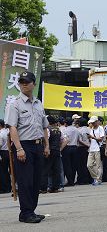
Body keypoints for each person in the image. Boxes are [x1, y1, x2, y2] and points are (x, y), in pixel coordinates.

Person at [5, 71, 49, 223]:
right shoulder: (14, 104)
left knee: (37, 180)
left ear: (33, 84)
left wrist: (47, 145)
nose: (24, 84)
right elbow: (13, 128)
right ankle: (26, 212)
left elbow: (44, 127)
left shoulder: (38, 103)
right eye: (21, 81)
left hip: (38, 146)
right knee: (25, 181)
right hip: (24, 146)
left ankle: (31, 210)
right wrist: (19, 148)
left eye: (27, 81)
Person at [40, 116, 66, 193]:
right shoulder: (58, 130)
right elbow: (65, 140)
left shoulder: (47, 130)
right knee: (56, 169)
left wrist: (46, 148)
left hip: (49, 151)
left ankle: (43, 188)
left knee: (45, 169)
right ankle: (55, 187)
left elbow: (46, 139)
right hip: (57, 151)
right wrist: (60, 149)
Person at [62, 118, 79, 186]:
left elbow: (65, 140)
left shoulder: (65, 130)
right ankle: (72, 180)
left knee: (67, 165)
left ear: (66, 123)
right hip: (75, 147)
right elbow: (78, 139)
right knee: (73, 165)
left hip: (67, 148)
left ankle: (70, 181)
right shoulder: (76, 129)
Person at [87, 116, 104, 185]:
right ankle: (96, 177)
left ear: (97, 122)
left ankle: (98, 180)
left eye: (93, 122)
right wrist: (89, 138)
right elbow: (91, 139)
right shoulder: (91, 129)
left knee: (98, 165)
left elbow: (101, 139)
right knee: (89, 165)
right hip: (91, 148)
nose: (92, 124)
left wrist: (92, 137)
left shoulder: (100, 128)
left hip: (98, 148)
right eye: (92, 123)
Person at [76, 118, 91, 185]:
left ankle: (81, 180)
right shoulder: (89, 129)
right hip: (88, 148)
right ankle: (88, 179)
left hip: (81, 148)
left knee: (80, 165)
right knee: (87, 164)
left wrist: (86, 145)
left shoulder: (79, 130)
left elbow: (79, 140)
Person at [0, 119, 12, 194]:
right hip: (9, 152)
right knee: (9, 170)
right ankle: (9, 187)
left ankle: (4, 188)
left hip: (2, 153)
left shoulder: (0, 133)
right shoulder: (7, 131)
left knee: (3, 171)